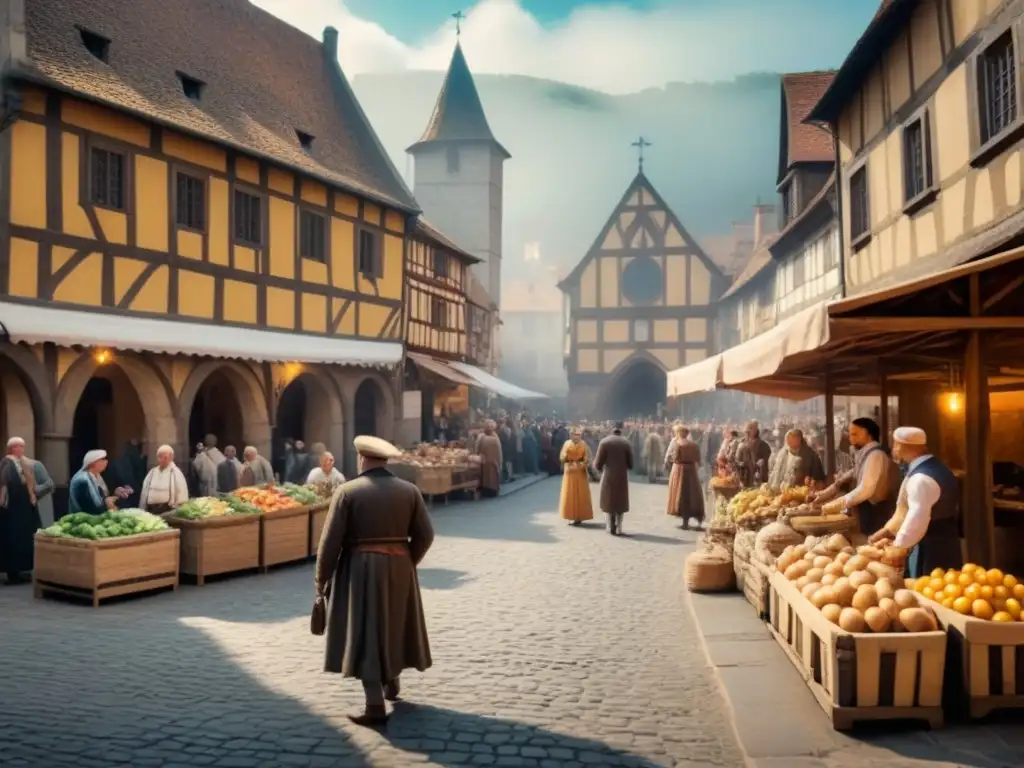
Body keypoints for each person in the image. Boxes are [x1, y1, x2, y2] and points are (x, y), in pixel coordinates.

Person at [314, 435, 434, 727]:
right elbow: (426, 534)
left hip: (361, 568)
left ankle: (374, 705)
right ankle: (392, 682)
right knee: (393, 623)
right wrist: (407, 561)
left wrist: (321, 579)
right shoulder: (409, 491)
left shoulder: (348, 492)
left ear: (362, 459)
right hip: (400, 566)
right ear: (385, 460)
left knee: (367, 631)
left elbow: (330, 542)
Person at [868, 427, 960, 579]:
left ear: (905, 447)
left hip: (932, 548)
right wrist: (887, 531)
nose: (895, 450)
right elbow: (904, 511)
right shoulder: (938, 467)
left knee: (931, 590)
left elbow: (916, 519)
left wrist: (898, 547)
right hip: (947, 540)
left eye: (896, 445)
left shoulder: (920, 478)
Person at [819, 417, 899, 535]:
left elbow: (866, 489)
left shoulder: (876, 455)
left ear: (868, 434)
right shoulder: (865, 454)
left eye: (855, 434)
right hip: (868, 512)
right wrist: (823, 494)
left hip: (877, 514)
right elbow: (847, 477)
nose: (851, 438)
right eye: (851, 434)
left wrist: (836, 504)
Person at [0, 437, 42, 585]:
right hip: (13, 508)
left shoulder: (21, 463)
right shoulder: (7, 462)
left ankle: (21, 569)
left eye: (22, 446)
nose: (21, 449)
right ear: (12, 448)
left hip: (21, 507)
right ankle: (13, 573)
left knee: (23, 538)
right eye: (18, 447)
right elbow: (5, 482)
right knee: (14, 538)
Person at [594, 422, 634, 536]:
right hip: (622, 475)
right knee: (620, 500)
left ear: (611, 429)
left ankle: (609, 524)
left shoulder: (604, 442)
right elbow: (631, 464)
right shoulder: (626, 443)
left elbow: (597, 464)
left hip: (608, 474)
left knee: (608, 500)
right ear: (621, 430)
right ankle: (619, 526)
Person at [666, 425, 704, 530]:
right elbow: (699, 461)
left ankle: (685, 522)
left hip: (679, 470)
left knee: (681, 495)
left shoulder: (678, 444)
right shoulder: (694, 445)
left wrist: (670, 460)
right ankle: (696, 518)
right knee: (692, 495)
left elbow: (675, 458)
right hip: (691, 472)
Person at [558, 427, 594, 526]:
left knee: (580, 494)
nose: (576, 436)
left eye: (578, 435)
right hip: (569, 472)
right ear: (571, 435)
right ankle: (570, 515)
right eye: (574, 434)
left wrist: (582, 464)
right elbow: (561, 456)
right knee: (569, 494)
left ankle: (579, 516)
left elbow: (588, 457)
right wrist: (565, 457)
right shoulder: (566, 444)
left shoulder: (584, 445)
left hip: (580, 472)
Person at [139, 445, 189, 514]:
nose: (162, 459)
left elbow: (182, 493)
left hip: (168, 509)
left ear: (171, 457)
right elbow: (145, 491)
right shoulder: (152, 472)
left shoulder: (176, 472)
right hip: (152, 509)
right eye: (160, 456)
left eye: (165, 457)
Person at [69, 450, 120, 514]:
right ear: (93, 462)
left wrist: (115, 493)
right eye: (103, 459)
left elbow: (102, 498)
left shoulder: (96, 476)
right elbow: (89, 507)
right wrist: (106, 504)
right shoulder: (82, 480)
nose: (106, 462)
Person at [735, 421, 771, 487]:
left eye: (751, 429)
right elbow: (737, 460)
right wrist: (741, 466)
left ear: (756, 431)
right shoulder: (741, 445)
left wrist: (762, 461)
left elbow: (766, 461)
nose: (748, 432)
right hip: (745, 478)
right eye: (747, 430)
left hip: (758, 479)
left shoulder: (763, 446)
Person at [475, 421, 502, 498]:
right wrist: (499, 462)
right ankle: (493, 492)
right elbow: (499, 451)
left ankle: (485, 492)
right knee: (492, 478)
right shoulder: (495, 437)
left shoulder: (481, 437)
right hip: (493, 462)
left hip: (485, 461)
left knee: (486, 478)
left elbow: (477, 448)